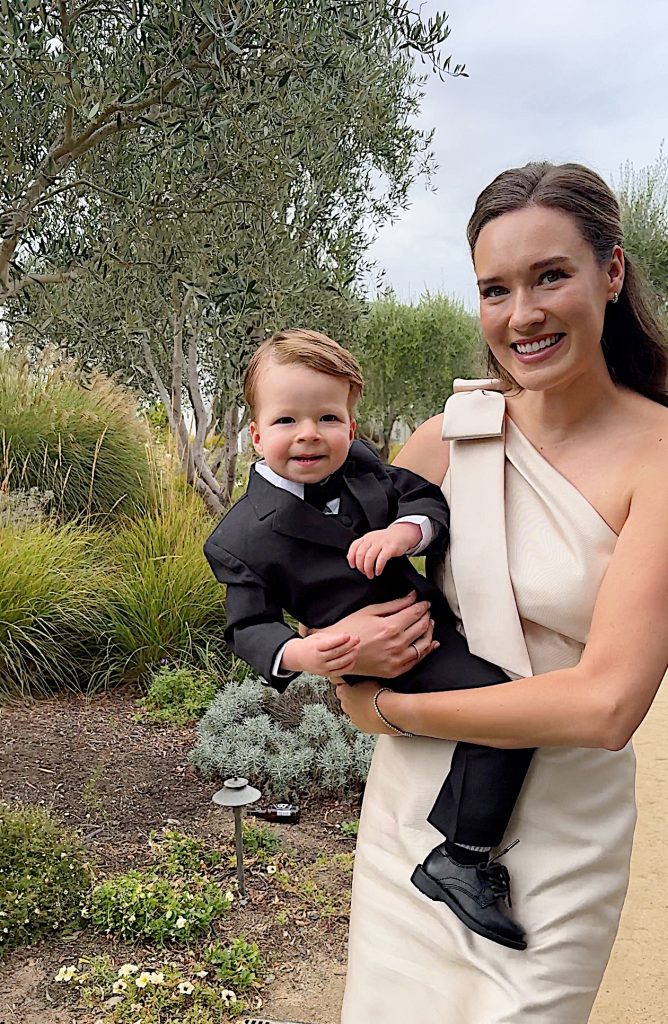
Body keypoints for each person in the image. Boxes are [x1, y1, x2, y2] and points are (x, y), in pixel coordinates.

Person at [329, 161, 668, 1023]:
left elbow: (606, 705)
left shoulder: (658, 456)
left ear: (613, 271)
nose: (523, 315)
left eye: (551, 276)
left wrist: (393, 712)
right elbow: (343, 612)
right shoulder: (446, 439)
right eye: (495, 288)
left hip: (560, 844)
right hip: (412, 826)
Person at [203, 329, 536, 950]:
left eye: (327, 416)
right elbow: (248, 628)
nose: (309, 433)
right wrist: (303, 652)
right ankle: (461, 858)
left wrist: (407, 533)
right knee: (502, 709)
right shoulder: (240, 538)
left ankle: (446, 839)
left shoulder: (360, 466)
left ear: (351, 427)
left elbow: (423, 496)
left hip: (432, 624)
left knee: (491, 703)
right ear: (256, 434)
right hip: (374, 660)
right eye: (287, 419)